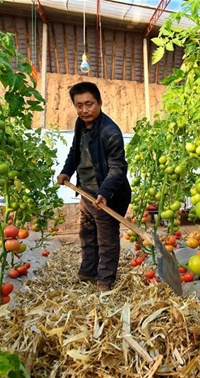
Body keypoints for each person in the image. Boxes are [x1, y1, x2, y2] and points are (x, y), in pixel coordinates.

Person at [57, 82, 131, 291]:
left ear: (99, 102)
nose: (84, 110)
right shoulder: (81, 124)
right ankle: (88, 272)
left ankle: (105, 281)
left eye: (89, 104)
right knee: (87, 234)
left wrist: (104, 193)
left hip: (107, 195)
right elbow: (75, 151)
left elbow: (118, 168)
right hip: (85, 192)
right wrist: (66, 171)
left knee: (106, 240)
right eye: (79, 105)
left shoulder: (110, 132)